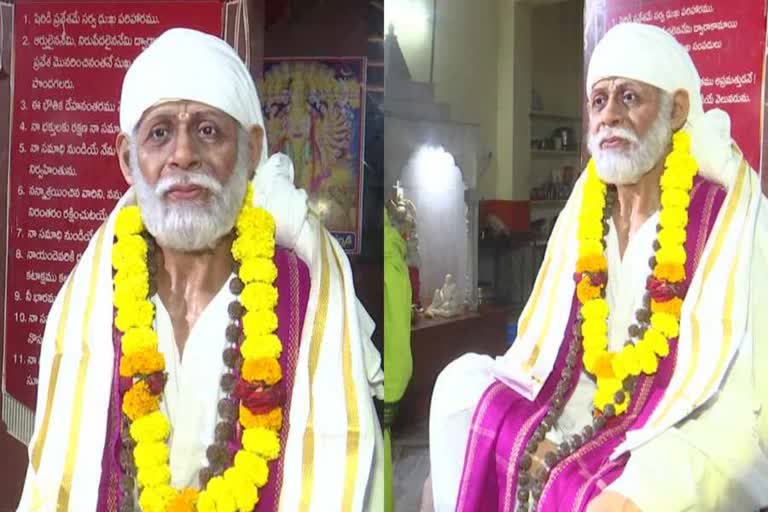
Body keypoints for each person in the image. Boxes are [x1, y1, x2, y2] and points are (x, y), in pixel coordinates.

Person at [17, 28, 383, 512]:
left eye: (208, 130)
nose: (184, 155)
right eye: (160, 133)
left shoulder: (307, 302)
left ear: (252, 149)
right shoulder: (88, 302)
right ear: (129, 159)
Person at [428, 23, 768, 512]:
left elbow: (733, 400)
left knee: (634, 496)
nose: (609, 116)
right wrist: (542, 428)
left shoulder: (725, 218)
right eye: (598, 101)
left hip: (680, 425)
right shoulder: (585, 207)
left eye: (629, 97)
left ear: (676, 110)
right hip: (580, 406)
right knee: (457, 388)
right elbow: (542, 348)